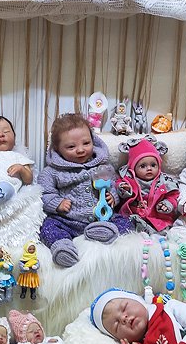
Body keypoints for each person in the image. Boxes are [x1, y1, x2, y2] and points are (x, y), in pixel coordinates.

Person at [38, 113, 133, 267]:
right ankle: (63, 247)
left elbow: (114, 184)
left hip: (101, 219)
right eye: (71, 147)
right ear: (57, 149)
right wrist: (57, 203)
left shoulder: (103, 166)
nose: (80, 150)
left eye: (86, 143)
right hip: (67, 221)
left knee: (126, 221)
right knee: (48, 226)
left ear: (93, 141)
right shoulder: (52, 172)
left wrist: (113, 197)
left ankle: (103, 232)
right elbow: (44, 193)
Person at [116, 135, 180, 234]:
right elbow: (118, 185)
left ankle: (154, 233)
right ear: (133, 168)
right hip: (134, 215)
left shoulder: (165, 181)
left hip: (157, 218)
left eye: (153, 165)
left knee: (165, 230)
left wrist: (167, 204)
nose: (149, 168)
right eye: (143, 166)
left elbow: (174, 196)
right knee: (126, 223)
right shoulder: (128, 179)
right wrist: (124, 189)